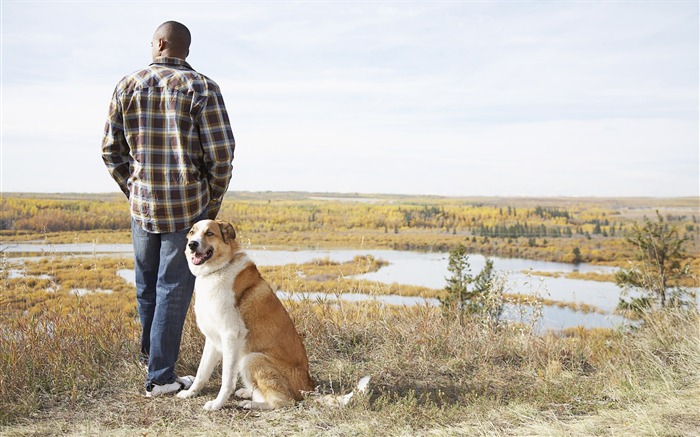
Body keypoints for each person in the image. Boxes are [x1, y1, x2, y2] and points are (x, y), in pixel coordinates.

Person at [101, 21, 235, 397]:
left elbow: (111, 151)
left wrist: (135, 189)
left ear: (159, 43)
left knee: (147, 285)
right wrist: (209, 202)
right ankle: (159, 377)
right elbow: (221, 155)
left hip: (143, 206)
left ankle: (152, 361)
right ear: (184, 49)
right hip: (187, 208)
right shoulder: (203, 88)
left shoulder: (127, 85)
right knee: (173, 288)